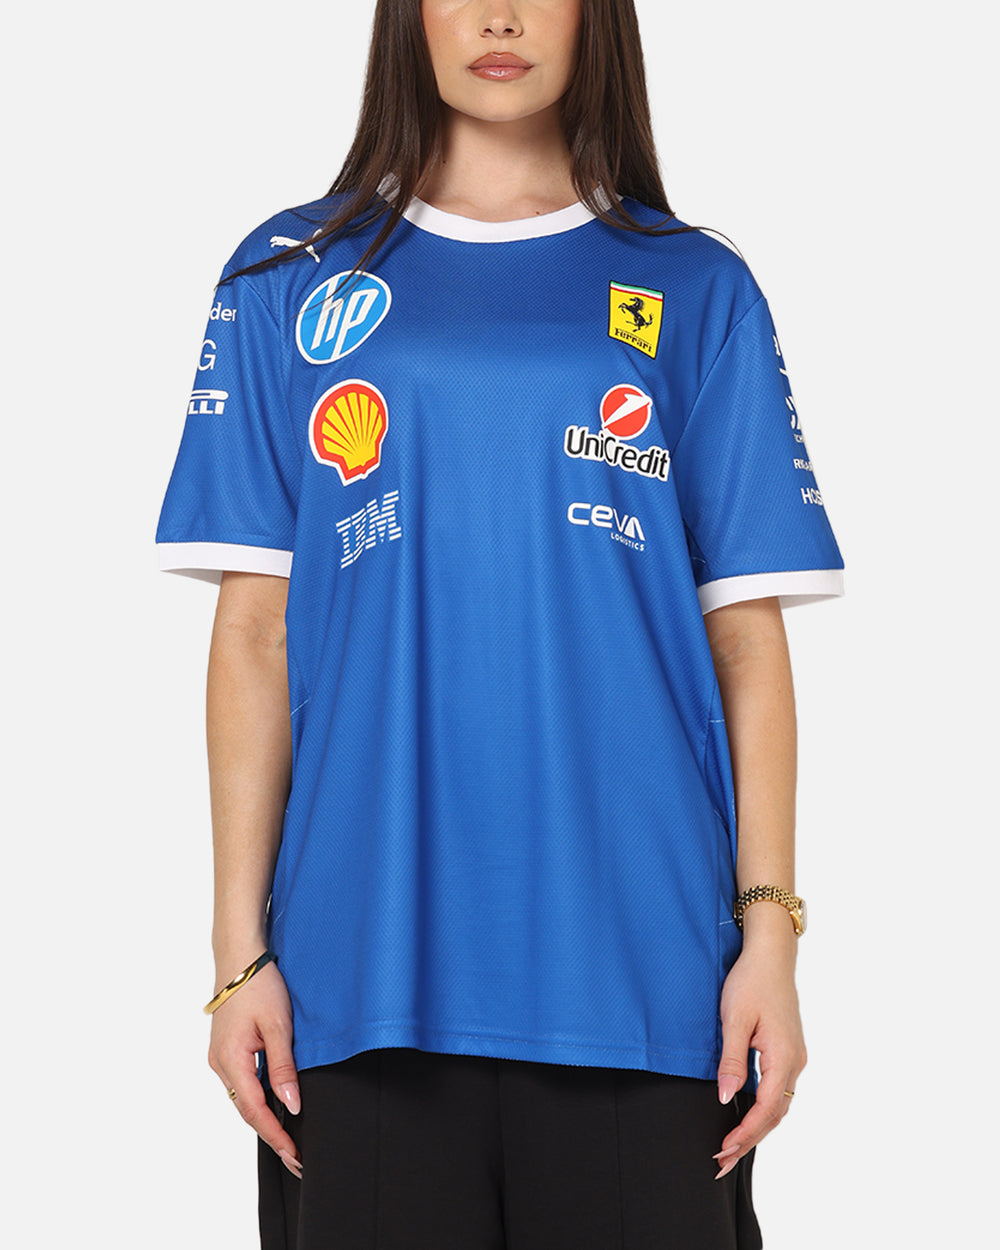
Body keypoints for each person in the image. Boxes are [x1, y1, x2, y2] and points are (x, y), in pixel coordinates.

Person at [156, 2, 844, 1247]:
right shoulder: (286, 274)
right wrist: (238, 953)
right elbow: (257, 632)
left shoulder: (697, 286)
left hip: (646, 979)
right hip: (358, 981)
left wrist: (770, 938)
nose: (500, 15)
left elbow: (745, 641)